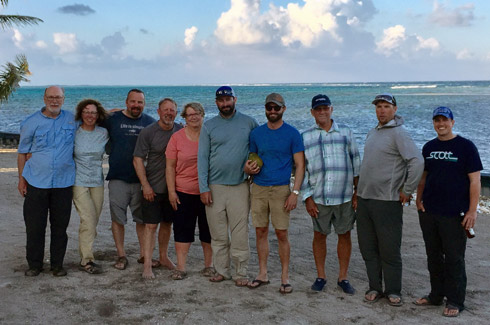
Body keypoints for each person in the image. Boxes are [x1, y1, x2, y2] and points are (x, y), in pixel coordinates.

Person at [356, 93, 424, 306]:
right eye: (378, 107)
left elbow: (417, 161)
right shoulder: (372, 132)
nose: (382, 110)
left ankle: (393, 290)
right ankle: (375, 286)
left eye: (386, 106)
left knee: (389, 249)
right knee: (368, 248)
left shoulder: (399, 133)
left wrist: (407, 189)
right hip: (364, 199)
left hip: (387, 201)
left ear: (394, 109)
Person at [414, 107, 482, 317]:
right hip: (429, 211)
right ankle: (436, 295)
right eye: (437, 120)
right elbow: (423, 177)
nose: (440, 124)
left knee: (454, 258)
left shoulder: (466, 147)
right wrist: (418, 199)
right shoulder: (429, 147)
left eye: (444, 120)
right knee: (433, 256)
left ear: (452, 122)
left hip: (455, 213)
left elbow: (475, 180)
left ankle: (455, 300)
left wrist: (472, 211)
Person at [198, 86, 258, 286]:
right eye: (221, 101)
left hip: (240, 186)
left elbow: (258, 150)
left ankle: (241, 273)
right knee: (218, 233)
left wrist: (254, 168)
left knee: (240, 232)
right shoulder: (209, 126)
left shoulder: (249, 122)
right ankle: (222, 271)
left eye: (228, 99)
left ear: (235, 99)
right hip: (214, 187)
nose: (225, 104)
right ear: (216, 103)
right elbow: (202, 159)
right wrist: (203, 188)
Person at [245, 93, 304, 294]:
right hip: (259, 188)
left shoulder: (293, 134)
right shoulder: (257, 134)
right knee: (260, 231)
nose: (272, 111)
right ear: (265, 109)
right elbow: (251, 159)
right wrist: (248, 169)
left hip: (281, 189)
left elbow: (300, 165)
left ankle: (285, 277)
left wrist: (295, 192)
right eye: (269, 108)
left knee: (281, 233)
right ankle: (262, 274)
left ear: (283, 109)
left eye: (276, 108)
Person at [301, 94, 361, 294]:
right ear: (312, 112)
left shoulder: (345, 132)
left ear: (331, 109)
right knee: (319, 235)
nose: (322, 112)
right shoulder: (305, 136)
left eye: (325, 108)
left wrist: (356, 193)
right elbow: (301, 170)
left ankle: (343, 277)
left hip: (344, 196)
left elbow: (356, 163)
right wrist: (307, 198)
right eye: (318, 109)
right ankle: (321, 276)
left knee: (344, 235)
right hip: (318, 198)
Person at [17, 86, 76, 277]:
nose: (54, 101)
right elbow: (22, 152)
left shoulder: (72, 119)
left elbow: (95, 116)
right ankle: (35, 265)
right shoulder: (31, 122)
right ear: (44, 98)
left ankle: (57, 265)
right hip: (36, 181)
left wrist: (117, 112)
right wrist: (21, 179)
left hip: (63, 183)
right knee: (35, 226)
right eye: (51, 97)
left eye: (58, 97)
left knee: (60, 227)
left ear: (63, 99)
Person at [103, 89, 155, 271]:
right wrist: (109, 111)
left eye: (140, 102)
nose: (136, 105)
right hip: (118, 177)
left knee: (141, 219)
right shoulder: (113, 119)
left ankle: (143, 254)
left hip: (142, 180)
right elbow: (90, 118)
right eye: (133, 102)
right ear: (126, 102)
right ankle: (121, 254)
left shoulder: (149, 122)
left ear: (144, 104)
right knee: (118, 219)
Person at [133, 98, 182, 279]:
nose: (169, 113)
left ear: (176, 113)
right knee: (151, 226)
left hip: (173, 188)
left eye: (172, 110)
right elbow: (138, 159)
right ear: (158, 111)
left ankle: (163, 257)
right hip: (152, 187)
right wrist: (145, 185)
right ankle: (147, 264)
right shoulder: (148, 132)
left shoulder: (180, 130)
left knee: (167, 224)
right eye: (165, 110)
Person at [166, 102, 215, 280]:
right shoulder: (177, 138)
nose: (193, 117)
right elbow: (170, 167)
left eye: (197, 113)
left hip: (207, 190)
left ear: (203, 115)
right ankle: (181, 266)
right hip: (183, 191)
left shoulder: (209, 135)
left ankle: (209, 265)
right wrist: (171, 192)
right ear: (184, 118)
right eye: (189, 114)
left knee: (207, 230)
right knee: (182, 229)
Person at [73, 99, 109, 274]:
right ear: (81, 113)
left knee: (94, 220)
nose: (90, 115)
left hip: (97, 181)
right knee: (87, 219)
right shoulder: (74, 132)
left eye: (93, 112)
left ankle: (86, 250)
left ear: (98, 115)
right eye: (86, 111)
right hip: (78, 181)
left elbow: (116, 116)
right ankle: (86, 260)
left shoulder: (103, 133)